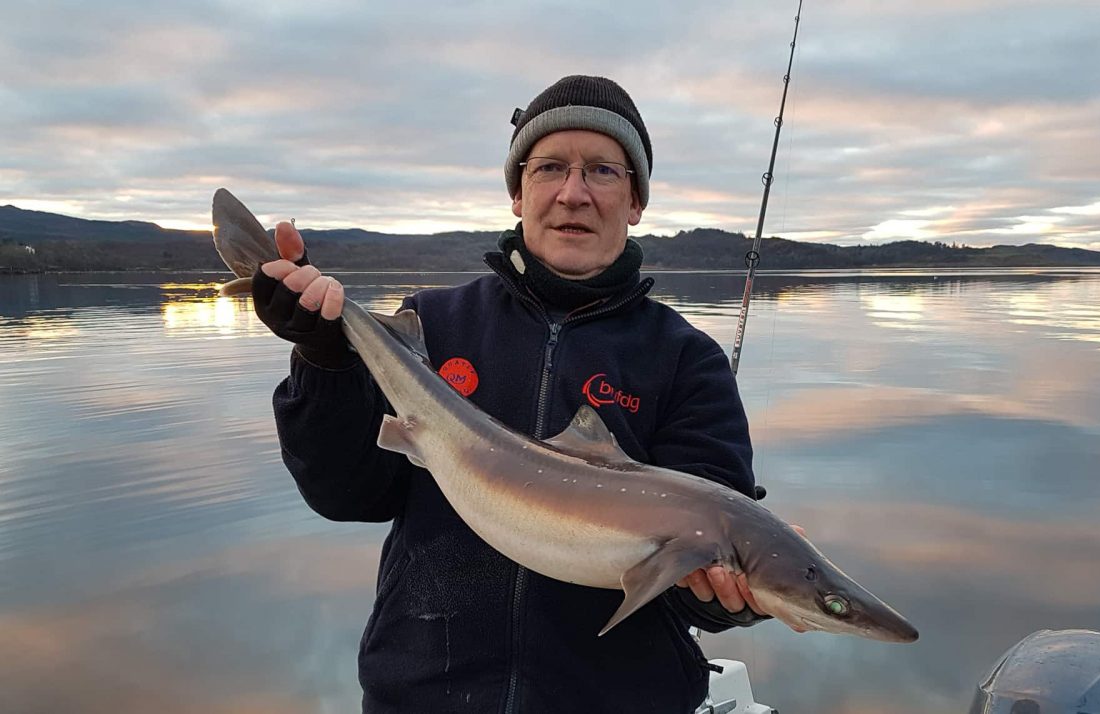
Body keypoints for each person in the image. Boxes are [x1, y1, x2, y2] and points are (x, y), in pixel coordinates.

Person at [251, 75, 778, 714]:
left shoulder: (685, 360)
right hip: (422, 695)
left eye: (603, 171)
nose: (573, 193)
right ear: (517, 192)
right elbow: (344, 494)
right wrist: (324, 362)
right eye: (550, 167)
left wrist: (726, 592)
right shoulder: (432, 329)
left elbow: (703, 588)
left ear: (636, 201)